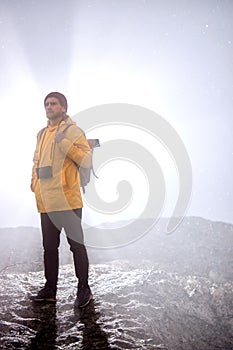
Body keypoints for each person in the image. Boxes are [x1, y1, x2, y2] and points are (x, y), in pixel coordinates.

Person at [30, 92, 92, 308]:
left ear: (63, 108)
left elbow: (85, 159)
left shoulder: (73, 131)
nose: (49, 107)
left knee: (77, 246)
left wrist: (64, 141)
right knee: (49, 248)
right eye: (46, 104)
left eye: (53, 103)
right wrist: (34, 185)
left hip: (68, 200)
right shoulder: (40, 134)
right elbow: (36, 162)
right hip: (46, 202)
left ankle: (84, 289)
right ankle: (50, 290)